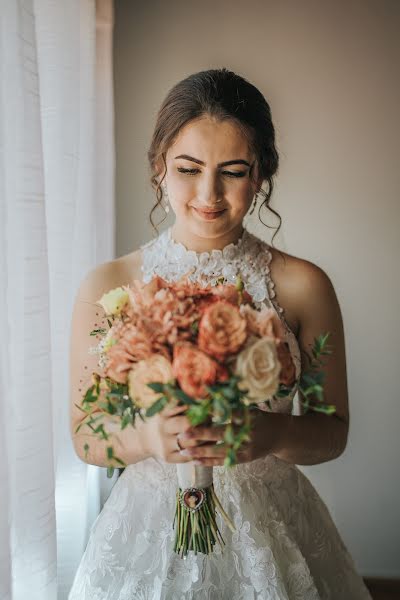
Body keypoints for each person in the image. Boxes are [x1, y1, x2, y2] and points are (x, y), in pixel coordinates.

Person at [68, 68, 372, 599]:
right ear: (159, 167)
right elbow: (85, 435)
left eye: (233, 171)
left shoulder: (303, 286)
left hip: (271, 526)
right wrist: (145, 439)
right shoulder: (110, 284)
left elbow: (333, 430)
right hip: (147, 529)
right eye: (189, 168)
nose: (209, 193)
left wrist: (273, 435)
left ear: (261, 175)